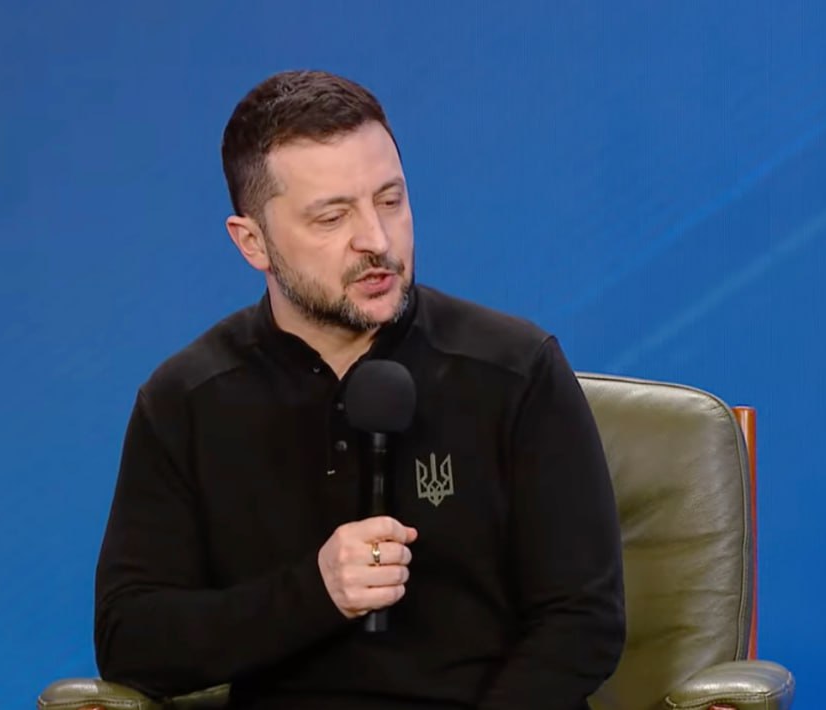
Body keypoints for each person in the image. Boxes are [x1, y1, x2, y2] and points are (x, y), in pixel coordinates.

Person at [93, 69, 625, 709]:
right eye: (332, 216)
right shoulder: (187, 400)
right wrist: (314, 594)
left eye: (390, 201)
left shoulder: (515, 369)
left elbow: (582, 623)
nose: (376, 240)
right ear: (252, 242)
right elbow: (132, 639)